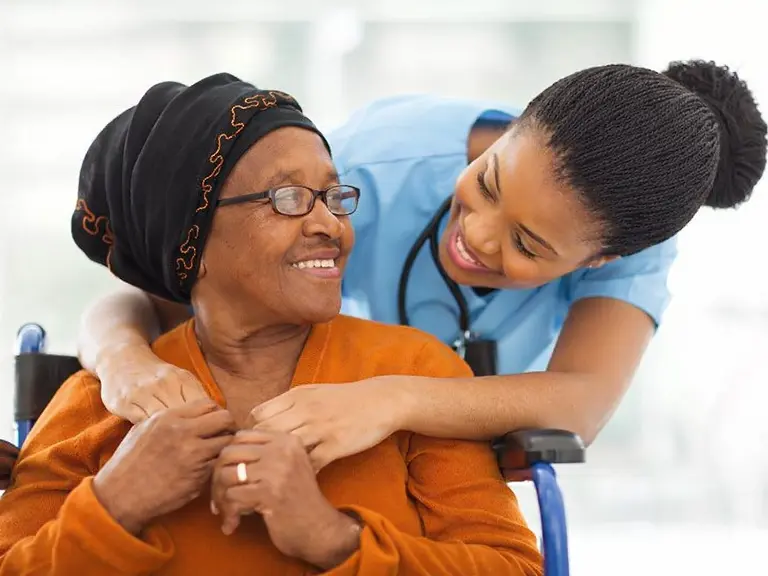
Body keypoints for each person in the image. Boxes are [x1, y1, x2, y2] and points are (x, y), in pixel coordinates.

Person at [78, 60, 767, 471]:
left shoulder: (632, 248)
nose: (477, 237)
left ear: (604, 259)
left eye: (528, 246)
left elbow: (580, 401)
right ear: (513, 126)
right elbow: (148, 290)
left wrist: (392, 396)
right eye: (486, 183)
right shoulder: (370, 167)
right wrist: (123, 361)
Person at [0, 74, 542, 575]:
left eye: (333, 196)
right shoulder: (98, 403)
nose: (330, 224)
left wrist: (333, 538)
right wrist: (116, 506)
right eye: (287, 200)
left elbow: (514, 568)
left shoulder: (415, 371)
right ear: (190, 244)